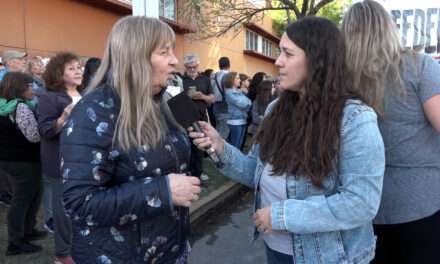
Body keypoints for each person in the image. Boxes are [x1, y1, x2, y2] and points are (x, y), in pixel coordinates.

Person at [190, 17, 385, 264]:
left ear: (317, 60)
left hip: (328, 257)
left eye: (287, 53)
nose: (278, 61)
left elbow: (361, 202)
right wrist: (220, 147)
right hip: (276, 249)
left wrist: (282, 215)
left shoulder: (355, 119)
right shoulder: (275, 109)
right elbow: (255, 172)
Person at [60, 16, 201, 263]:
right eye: (164, 52)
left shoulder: (161, 102)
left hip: (168, 250)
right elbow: (80, 203)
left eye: (173, 51)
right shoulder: (93, 112)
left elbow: (173, 168)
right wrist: (163, 191)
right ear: (135, 57)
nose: (174, 61)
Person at [342, 1, 440, 263]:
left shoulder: (342, 78)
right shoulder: (419, 66)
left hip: (362, 206)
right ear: (388, 28)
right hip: (422, 204)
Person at [37, 51, 83, 264]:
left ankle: (79, 247)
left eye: (79, 67)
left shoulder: (85, 93)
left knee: (80, 206)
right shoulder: (49, 97)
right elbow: (45, 131)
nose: (78, 71)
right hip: (60, 163)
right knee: (63, 211)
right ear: (59, 73)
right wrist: (64, 117)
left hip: (83, 161)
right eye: (72, 68)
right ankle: (62, 254)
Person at [0, 72, 45, 255]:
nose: (33, 89)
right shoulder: (21, 108)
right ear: (20, 88)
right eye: (29, 86)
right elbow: (34, 136)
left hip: (8, 159)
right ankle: (16, 242)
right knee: (22, 200)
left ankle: (28, 230)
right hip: (23, 161)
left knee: (32, 195)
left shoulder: (4, 105)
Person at [223, 72, 251, 149]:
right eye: (238, 78)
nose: (240, 80)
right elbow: (243, 104)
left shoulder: (239, 92)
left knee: (238, 146)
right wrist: (246, 103)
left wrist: (246, 103)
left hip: (242, 120)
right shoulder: (229, 92)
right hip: (235, 122)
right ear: (232, 80)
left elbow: (248, 102)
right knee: (234, 147)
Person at [212, 56, 231, 139]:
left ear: (219, 65)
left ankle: (214, 149)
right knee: (224, 132)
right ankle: (218, 151)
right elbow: (228, 93)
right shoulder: (229, 76)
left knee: (218, 128)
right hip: (224, 106)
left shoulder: (213, 75)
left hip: (215, 104)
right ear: (229, 65)